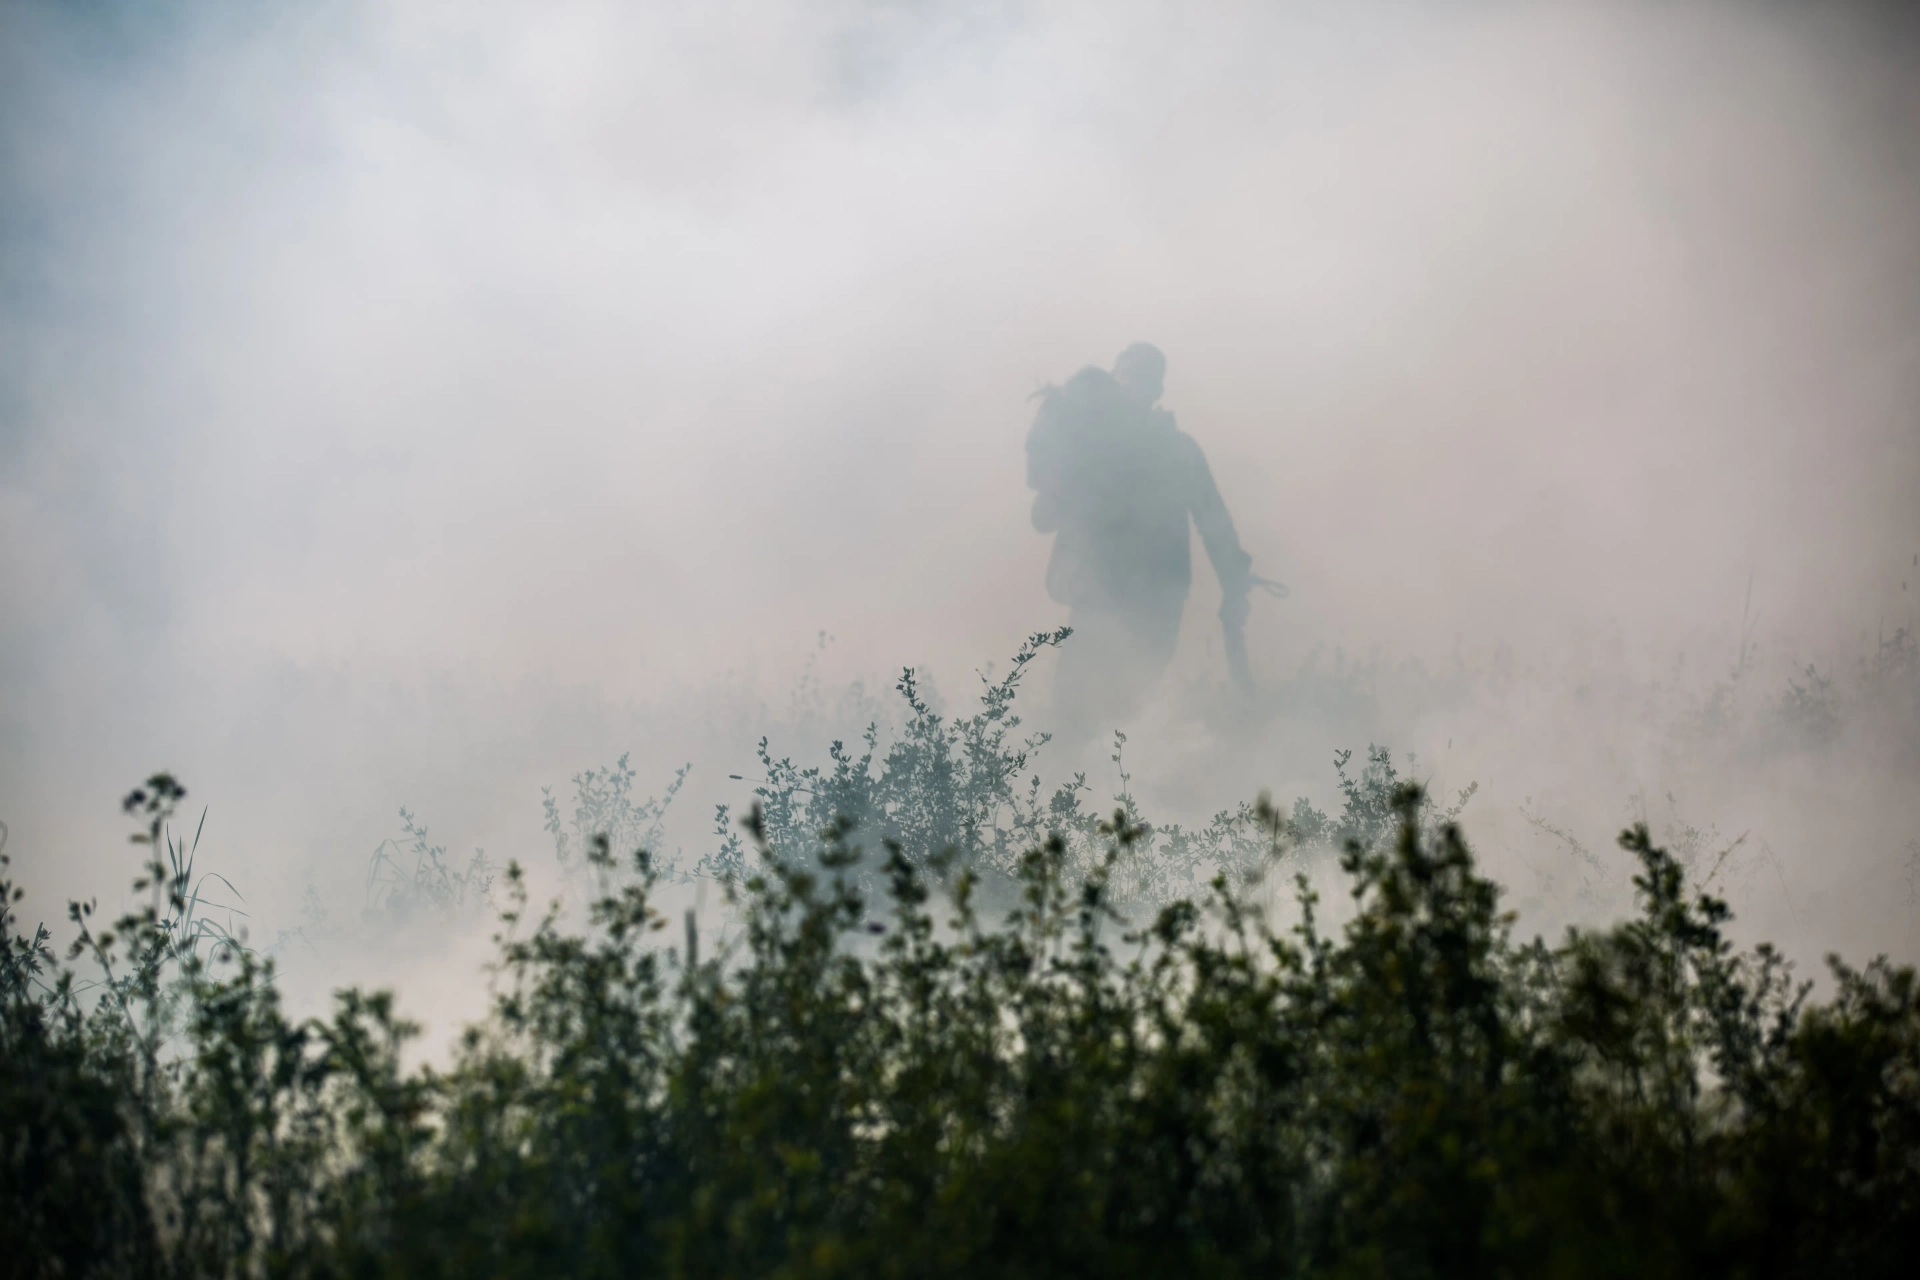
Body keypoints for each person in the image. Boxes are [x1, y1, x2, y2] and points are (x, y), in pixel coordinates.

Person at [1027, 342, 1254, 733]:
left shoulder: (1174, 450)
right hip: (1104, 599)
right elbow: (1044, 515)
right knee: (1080, 714)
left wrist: (1235, 585)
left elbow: (1214, 522)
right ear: (1116, 382)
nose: (1137, 387)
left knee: (1115, 715)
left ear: (1156, 391)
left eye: (1144, 380)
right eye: (1132, 378)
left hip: (1146, 602)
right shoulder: (1100, 445)